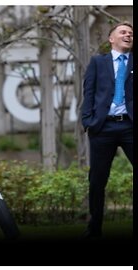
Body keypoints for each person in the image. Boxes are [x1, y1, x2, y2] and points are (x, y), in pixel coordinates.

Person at [81, 21, 133, 239]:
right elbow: (89, 92)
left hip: (131, 126)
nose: (128, 35)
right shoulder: (98, 62)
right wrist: (88, 122)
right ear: (111, 38)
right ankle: (94, 230)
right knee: (97, 180)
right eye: (123, 32)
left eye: (131, 33)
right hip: (103, 127)